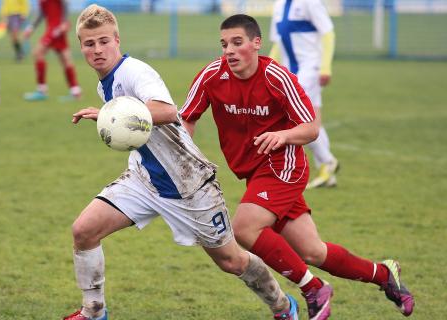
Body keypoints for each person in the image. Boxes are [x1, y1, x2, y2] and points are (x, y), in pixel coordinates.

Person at [63, 5, 300, 320]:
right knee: (84, 231)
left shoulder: (135, 72)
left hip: (189, 185)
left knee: (232, 261)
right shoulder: (104, 82)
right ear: (81, 47)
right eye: (89, 44)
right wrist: (110, 115)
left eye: (104, 41)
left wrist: (112, 115)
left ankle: (283, 306)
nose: (97, 50)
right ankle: (94, 312)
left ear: (117, 40)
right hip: (145, 179)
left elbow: (167, 111)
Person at [180, 14, 414, 320]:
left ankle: (313, 288)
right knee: (312, 252)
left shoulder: (277, 77)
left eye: (238, 43)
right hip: (254, 173)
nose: (229, 51)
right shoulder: (212, 75)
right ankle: (384, 275)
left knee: (244, 228)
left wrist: (282, 135)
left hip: (283, 166)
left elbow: (311, 128)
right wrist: (185, 157)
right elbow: (187, 117)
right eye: (224, 44)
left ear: (256, 43)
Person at [269, 0, 339, 189]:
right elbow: (277, 43)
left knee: (298, 118)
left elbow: (328, 33)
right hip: (291, 71)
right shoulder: (278, 6)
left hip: (310, 69)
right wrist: (268, 68)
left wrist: (325, 67)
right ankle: (327, 170)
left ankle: (327, 160)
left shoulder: (310, 2)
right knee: (312, 120)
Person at [23, 0, 81, 101]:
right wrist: (31, 28)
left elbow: (65, 3)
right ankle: (75, 91)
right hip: (53, 27)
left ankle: (42, 91)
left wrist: (64, 22)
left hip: (57, 28)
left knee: (38, 53)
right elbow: (42, 13)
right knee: (65, 58)